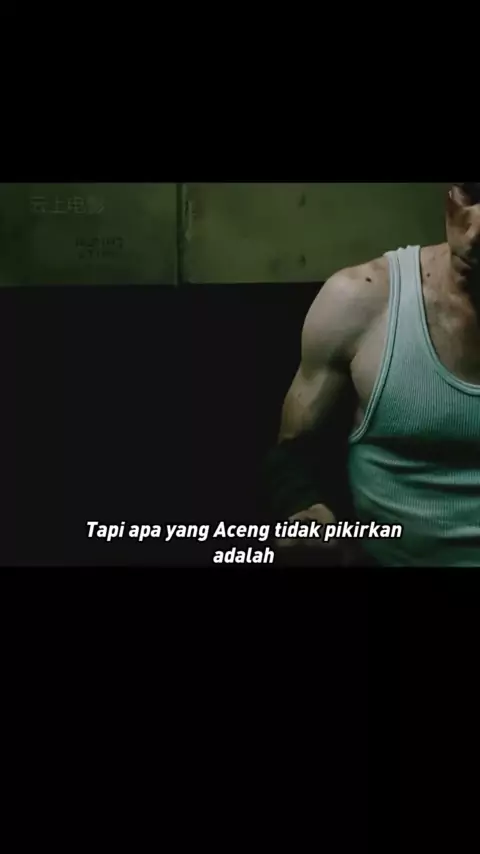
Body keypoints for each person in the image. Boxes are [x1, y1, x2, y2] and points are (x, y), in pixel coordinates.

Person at [266, 183, 480, 566]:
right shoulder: (361, 299)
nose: (475, 231)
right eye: (471, 193)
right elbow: (293, 453)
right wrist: (304, 508)